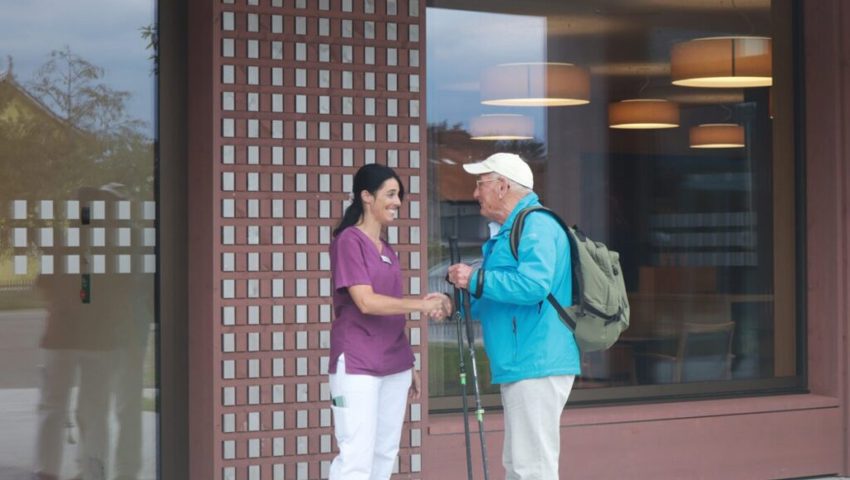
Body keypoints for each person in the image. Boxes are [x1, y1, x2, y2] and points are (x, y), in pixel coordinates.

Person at [447, 152, 580, 480]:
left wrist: (474, 279)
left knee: (530, 467)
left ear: (503, 186)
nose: (475, 193)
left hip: (536, 360)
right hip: (524, 361)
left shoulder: (536, 225)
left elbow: (533, 286)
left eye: (481, 184)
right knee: (520, 464)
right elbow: (501, 296)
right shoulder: (510, 232)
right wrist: (457, 305)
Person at [328, 163, 452, 480]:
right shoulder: (348, 241)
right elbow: (366, 301)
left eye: (400, 195)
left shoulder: (387, 249)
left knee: (384, 455)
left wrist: (408, 361)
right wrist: (421, 306)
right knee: (356, 456)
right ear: (366, 196)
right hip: (357, 363)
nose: (398, 202)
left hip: (394, 364)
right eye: (391, 194)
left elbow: (391, 311)